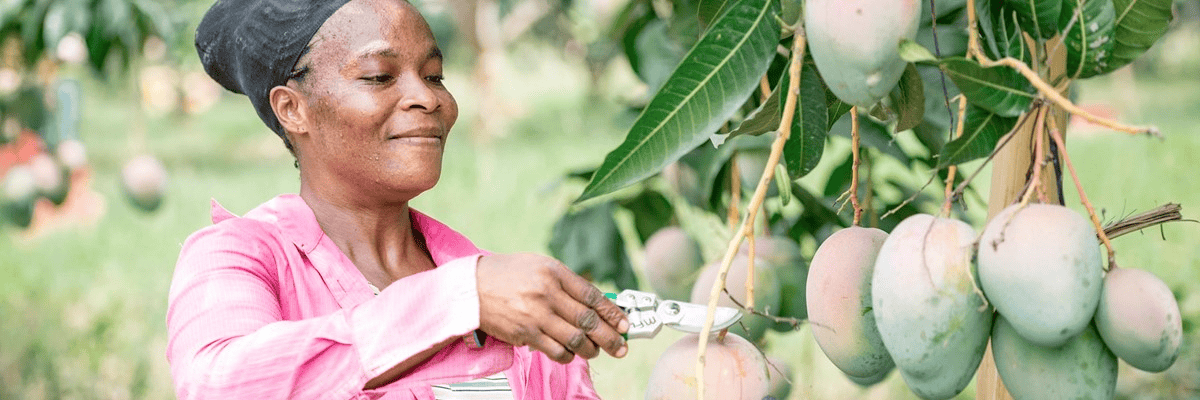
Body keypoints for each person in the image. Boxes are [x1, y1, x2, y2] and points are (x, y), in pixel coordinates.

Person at [165, 0, 630, 398]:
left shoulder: (506, 292)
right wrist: (455, 303)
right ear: (293, 109)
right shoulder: (238, 256)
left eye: (434, 75)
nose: (426, 98)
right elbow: (217, 384)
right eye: (378, 76)